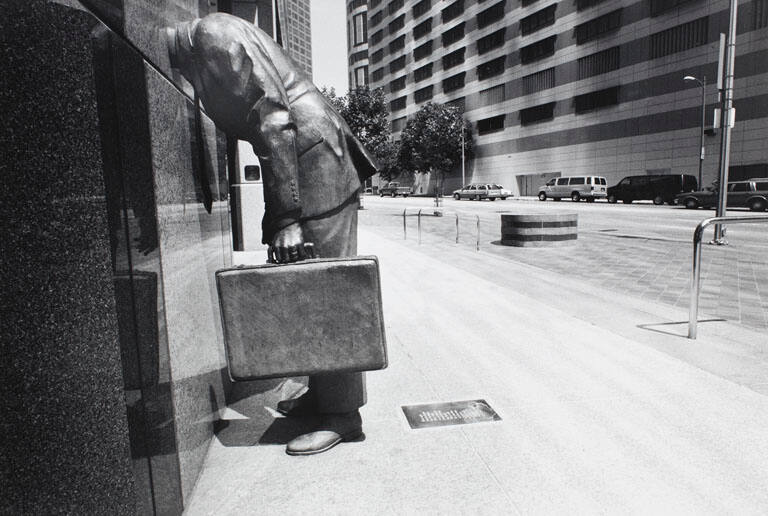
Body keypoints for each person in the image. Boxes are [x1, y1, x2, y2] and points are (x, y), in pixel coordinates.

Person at [166, 13, 378, 456]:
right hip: (307, 163)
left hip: (316, 164)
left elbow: (274, 120)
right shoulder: (205, 43)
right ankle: (323, 396)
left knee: (329, 293)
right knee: (310, 292)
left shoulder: (214, 37)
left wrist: (287, 218)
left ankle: (342, 414)